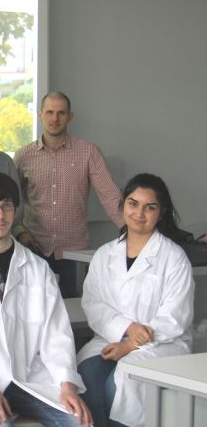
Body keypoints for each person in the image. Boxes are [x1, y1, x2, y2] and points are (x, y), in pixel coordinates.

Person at [0, 172, 91, 426]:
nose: (0, 215)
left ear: (16, 209)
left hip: (31, 379)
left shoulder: (37, 268)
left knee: (78, 421)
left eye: (6, 206)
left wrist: (67, 385)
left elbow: (56, 334)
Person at [77, 173, 194, 427]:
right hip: (110, 338)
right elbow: (93, 303)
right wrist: (127, 329)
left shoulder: (173, 258)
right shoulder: (105, 254)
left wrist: (131, 345)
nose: (139, 213)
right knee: (87, 377)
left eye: (149, 207)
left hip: (161, 344)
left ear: (161, 213)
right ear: (122, 206)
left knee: (117, 386)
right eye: (133, 203)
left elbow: (176, 316)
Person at [14, 91, 123, 298]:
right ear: (40, 115)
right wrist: (19, 232)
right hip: (33, 249)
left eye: (61, 113)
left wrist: (134, 232)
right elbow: (13, 203)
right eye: (50, 112)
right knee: (34, 312)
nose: (55, 119)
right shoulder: (23, 156)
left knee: (74, 312)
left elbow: (110, 195)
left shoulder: (89, 152)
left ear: (70, 116)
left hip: (75, 253)